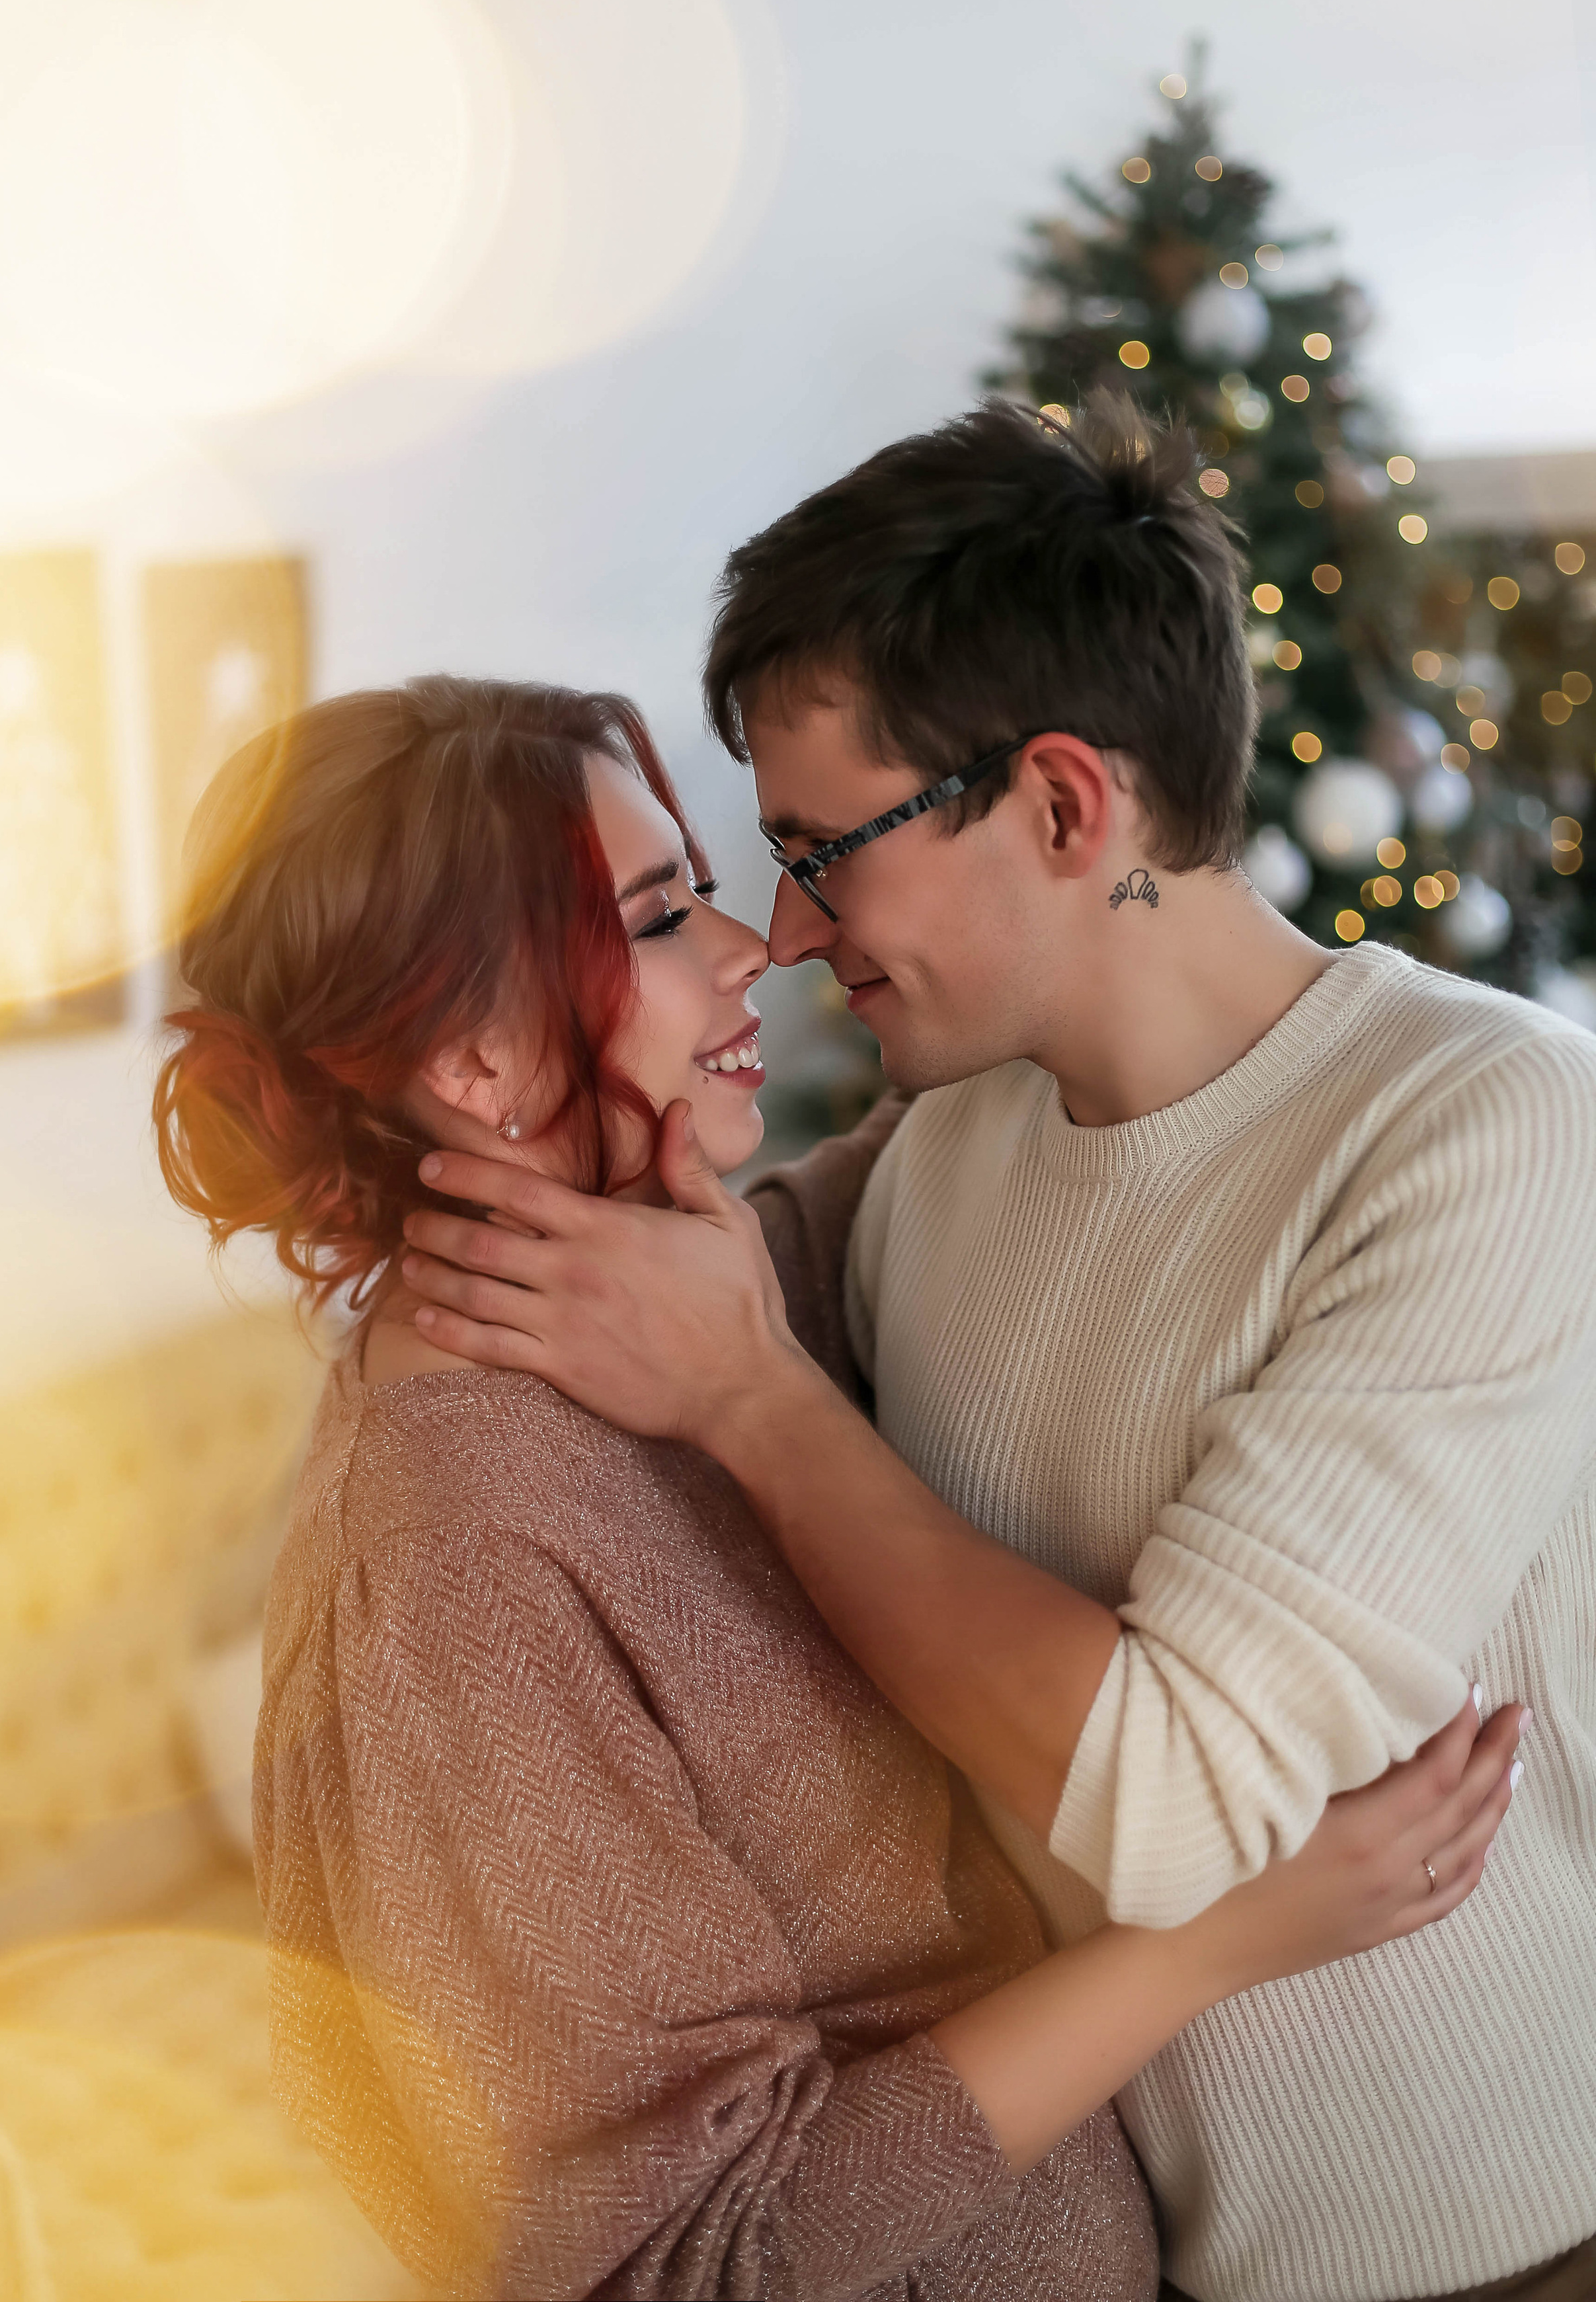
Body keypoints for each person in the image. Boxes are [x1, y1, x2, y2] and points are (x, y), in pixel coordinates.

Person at [397, 401, 1596, 2302]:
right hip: (1147, 2250)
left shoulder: (1486, 1128)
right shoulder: (954, 1134)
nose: (784, 934)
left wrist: (758, 1405)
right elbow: (627, 1284)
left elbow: (1185, 1809)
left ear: (1060, 805)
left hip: (1498, 2251)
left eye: (820, 853)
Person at [152, 673, 1518, 2302]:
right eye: (663, 915)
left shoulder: (692, 1298)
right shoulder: (460, 1560)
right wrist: (1208, 1946)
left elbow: (979, 1114)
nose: (758, 948)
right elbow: (676, 2260)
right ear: (473, 1054)